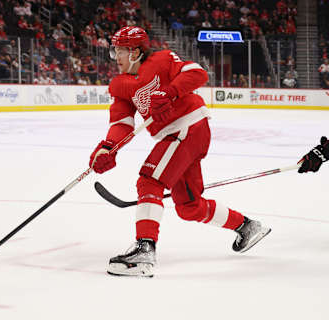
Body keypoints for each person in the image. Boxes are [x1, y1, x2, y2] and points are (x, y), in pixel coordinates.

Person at [89, 26, 271, 277]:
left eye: (118, 51)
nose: (115, 57)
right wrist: (108, 148)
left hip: (189, 126)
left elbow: (198, 73)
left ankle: (144, 250)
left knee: (150, 180)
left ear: (135, 52)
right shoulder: (120, 85)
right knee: (189, 206)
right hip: (176, 135)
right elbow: (121, 124)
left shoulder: (162, 60)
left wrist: (170, 91)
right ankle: (247, 226)